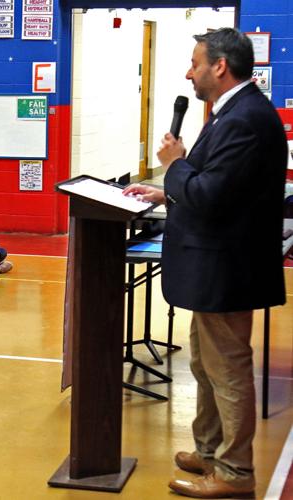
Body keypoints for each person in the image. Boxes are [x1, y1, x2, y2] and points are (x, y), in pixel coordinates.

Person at [122, 28, 287, 499]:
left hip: (227, 270)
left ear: (220, 66)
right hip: (215, 268)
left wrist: (174, 165)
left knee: (227, 370)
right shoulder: (231, 112)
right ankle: (211, 450)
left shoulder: (244, 119)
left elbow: (211, 196)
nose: (188, 73)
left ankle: (234, 473)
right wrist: (165, 191)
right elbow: (216, 184)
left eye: (195, 63)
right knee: (205, 364)